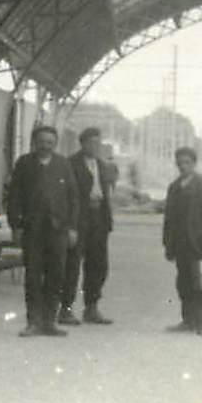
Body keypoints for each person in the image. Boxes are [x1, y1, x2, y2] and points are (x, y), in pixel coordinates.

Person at [6, 126, 79, 337]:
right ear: (34, 142)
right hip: (33, 229)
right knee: (33, 276)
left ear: (55, 144)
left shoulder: (63, 165)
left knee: (56, 274)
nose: (45, 145)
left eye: (50, 142)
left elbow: (74, 198)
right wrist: (15, 226)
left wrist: (72, 228)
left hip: (58, 230)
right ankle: (33, 322)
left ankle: (50, 322)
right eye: (42, 141)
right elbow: (14, 197)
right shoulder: (24, 164)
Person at [60, 127, 118, 326]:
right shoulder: (69, 164)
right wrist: (69, 225)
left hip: (99, 219)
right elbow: (67, 196)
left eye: (98, 143)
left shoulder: (104, 166)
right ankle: (65, 308)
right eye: (91, 143)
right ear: (82, 143)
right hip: (79, 218)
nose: (95, 147)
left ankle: (91, 307)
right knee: (72, 265)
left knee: (98, 264)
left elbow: (108, 191)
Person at [161, 146, 202, 336]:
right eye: (180, 163)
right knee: (183, 282)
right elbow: (168, 218)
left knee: (201, 283)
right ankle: (187, 320)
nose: (183, 166)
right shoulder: (174, 187)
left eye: (187, 163)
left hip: (200, 243)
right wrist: (167, 243)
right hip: (180, 243)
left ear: (194, 164)